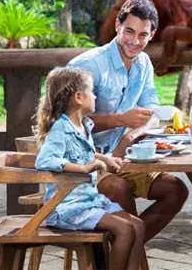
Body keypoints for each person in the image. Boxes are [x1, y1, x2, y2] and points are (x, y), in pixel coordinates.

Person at [67, 0, 189, 243]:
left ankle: (119, 255)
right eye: (129, 31)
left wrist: (130, 136)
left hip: (122, 159)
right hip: (84, 163)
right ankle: (125, 256)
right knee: (118, 189)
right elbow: (66, 122)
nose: (135, 41)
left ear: (152, 35)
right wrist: (120, 120)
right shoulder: (88, 66)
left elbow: (151, 110)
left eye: (143, 35)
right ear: (117, 27)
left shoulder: (143, 63)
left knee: (175, 190)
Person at [34, 67, 145, 270]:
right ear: (78, 97)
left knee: (138, 225)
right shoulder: (60, 129)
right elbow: (45, 160)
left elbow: (82, 151)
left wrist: (105, 158)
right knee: (125, 230)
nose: (95, 96)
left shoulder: (83, 126)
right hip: (67, 208)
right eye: (92, 91)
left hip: (89, 201)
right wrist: (84, 168)